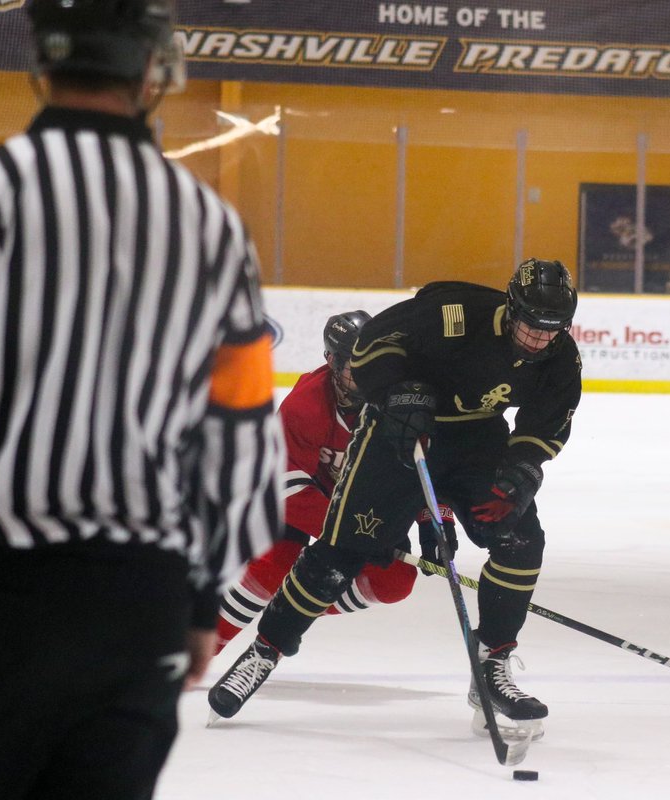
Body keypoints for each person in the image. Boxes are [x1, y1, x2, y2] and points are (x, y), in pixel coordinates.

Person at [0, 1, 285, 798]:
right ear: (153, 72)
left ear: (42, 66)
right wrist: (198, 602)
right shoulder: (210, 227)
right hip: (136, 603)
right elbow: (240, 439)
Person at [208, 259, 582, 741]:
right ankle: (265, 650)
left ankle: (491, 664)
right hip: (397, 437)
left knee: (520, 542)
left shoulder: (561, 356)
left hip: (477, 442)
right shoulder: (455, 314)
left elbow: (546, 423)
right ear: (511, 307)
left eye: (551, 329)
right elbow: (371, 345)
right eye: (530, 324)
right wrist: (398, 391)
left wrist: (521, 472)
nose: (538, 339)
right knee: (340, 552)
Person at [215, 310, 452, 654]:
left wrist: (434, 519)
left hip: (366, 504)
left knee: (395, 581)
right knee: (273, 566)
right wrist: (357, 533)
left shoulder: (401, 404)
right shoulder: (304, 407)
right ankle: (205, 643)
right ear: (331, 360)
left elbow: (424, 468)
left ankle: (296, 604)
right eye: (354, 368)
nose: (367, 376)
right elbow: (288, 491)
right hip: (308, 500)